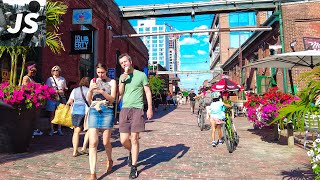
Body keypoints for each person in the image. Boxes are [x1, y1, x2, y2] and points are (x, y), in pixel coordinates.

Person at [118, 53, 153, 179]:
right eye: (121, 63)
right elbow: (120, 92)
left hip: (138, 109)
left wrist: (149, 108)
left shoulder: (141, 75)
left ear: (130, 61)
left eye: (125, 62)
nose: (124, 65)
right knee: (123, 140)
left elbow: (147, 92)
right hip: (125, 109)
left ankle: (134, 166)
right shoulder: (122, 76)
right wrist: (123, 79)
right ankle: (132, 152)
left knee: (134, 138)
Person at [86, 63, 116, 180]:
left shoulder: (111, 82)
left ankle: (109, 159)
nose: (100, 75)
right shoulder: (93, 81)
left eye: (102, 72)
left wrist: (102, 91)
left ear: (106, 71)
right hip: (94, 109)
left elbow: (112, 99)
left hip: (107, 110)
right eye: (98, 72)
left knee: (105, 142)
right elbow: (89, 100)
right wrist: (90, 91)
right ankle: (92, 173)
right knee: (93, 142)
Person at [66, 77, 90, 157]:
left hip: (75, 111)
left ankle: (75, 151)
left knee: (76, 131)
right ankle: (84, 147)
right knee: (88, 129)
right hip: (86, 111)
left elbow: (70, 101)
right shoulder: (89, 90)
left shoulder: (75, 90)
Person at [22, 63, 43, 136]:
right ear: (29, 71)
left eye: (35, 72)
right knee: (29, 115)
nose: (34, 73)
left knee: (33, 115)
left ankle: (32, 130)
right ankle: (29, 131)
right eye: (33, 71)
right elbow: (24, 87)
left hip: (32, 98)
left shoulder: (31, 78)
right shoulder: (26, 78)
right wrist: (35, 88)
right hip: (28, 98)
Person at [45, 65, 67, 136]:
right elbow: (47, 89)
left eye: (57, 70)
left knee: (59, 113)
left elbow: (64, 87)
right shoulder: (50, 79)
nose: (55, 71)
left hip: (60, 98)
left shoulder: (62, 79)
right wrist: (56, 91)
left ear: (59, 71)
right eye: (54, 70)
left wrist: (64, 89)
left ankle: (59, 129)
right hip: (52, 98)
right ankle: (52, 129)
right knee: (52, 114)